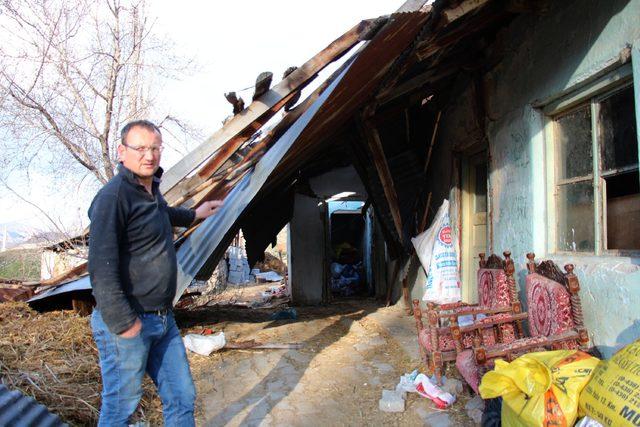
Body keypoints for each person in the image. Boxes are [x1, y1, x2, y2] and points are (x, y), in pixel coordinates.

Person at [88, 120, 223, 426]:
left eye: (155, 148)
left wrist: (193, 215)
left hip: (163, 320)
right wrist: (125, 323)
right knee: (121, 409)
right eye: (140, 148)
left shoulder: (150, 191)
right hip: (128, 321)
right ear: (122, 152)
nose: (149, 155)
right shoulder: (114, 198)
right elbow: (100, 268)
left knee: (182, 397)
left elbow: (160, 214)